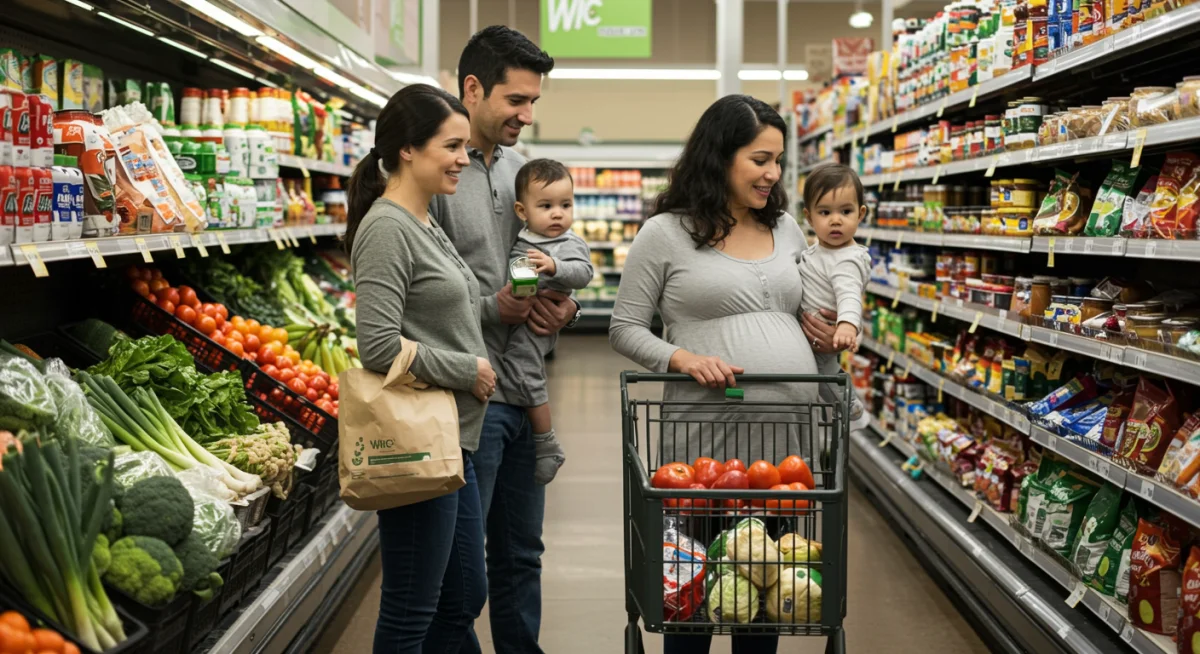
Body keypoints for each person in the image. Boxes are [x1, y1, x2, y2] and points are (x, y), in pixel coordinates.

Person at [609, 94, 845, 654]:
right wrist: (682, 358)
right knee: (694, 595)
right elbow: (624, 327)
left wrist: (817, 329)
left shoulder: (787, 228)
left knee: (762, 594)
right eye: (760, 159)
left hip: (784, 443)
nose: (772, 174)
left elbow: (797, 308)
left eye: (778, 162)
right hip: (702, 444)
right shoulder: (664, 233)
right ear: (720, 157)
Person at [427, 25, 569, 654]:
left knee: (521, 552)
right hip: (463, 398)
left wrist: (560, 306)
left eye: (534, 101)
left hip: (523, 388)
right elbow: (418, 292)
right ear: (473, 88)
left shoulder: (523, 172)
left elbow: (555, 252)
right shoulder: (434, 170)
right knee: (461, 576)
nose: (528, 115)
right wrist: (494, 309)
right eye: (517, 101)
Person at [348, 84, 494, 653]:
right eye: (452, 146)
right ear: (408, 149)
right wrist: (469, 370)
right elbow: (377, 345)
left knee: (461, 597)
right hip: (417, 444)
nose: (464, 158)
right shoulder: (387, 228)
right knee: (412, 607)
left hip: (453, 439)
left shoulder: (425, 220)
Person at [500, 158, 594, 484]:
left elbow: (583, 273)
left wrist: (555, 266)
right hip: (517, 316)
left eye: (565, 205)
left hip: (537, 324)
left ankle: (545, 442)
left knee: (524, 369)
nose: (558, 213)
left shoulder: (570, 243)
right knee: (518, 370)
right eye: (546, 205)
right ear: (522, 211)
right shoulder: (522, 239)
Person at [798, 163, 872, 430]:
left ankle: (851, 409)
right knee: (821, 376)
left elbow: (849, 295)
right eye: (825, 212)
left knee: (823, 376)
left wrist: (847, 325)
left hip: (825, 330)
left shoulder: (846, 260)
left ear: (861, 213)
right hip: (812, 327)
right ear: (809, 217)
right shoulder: (820, 250)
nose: (836, 220)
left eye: (846, 211)